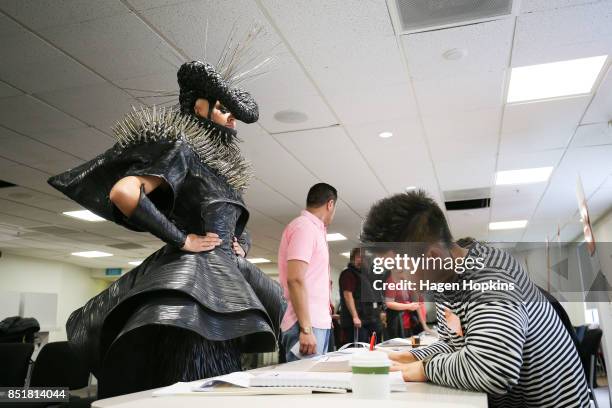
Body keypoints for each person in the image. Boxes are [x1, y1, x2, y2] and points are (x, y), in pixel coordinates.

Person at [48, 57, 285, 397]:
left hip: (228, 285)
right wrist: (181, 239)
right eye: (223, 108)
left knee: (224, 379)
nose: (232, 118)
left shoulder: (226, 177)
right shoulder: (181, 150)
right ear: (198, 107)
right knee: (189, 380)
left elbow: (236, 225)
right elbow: (125, 192)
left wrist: (240, 246)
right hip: (191, 290)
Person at [361, 190, 590, 408]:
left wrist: (424, 369)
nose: (398, 280)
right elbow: (455, 344)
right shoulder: (447, 279)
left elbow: (494, 370)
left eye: (400, 269)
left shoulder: (490, 280)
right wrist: (411, 355)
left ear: (432, 257)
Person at [278, 183, 337, 361]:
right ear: (330, 204)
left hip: (316, 323)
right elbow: (295, 279)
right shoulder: (304, 227)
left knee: (317, 384)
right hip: (304, 326)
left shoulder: (316, 230)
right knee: (305, 386)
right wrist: (306, 329)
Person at [338, 248, 383, 344]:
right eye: (359, 257)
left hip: (368, 320)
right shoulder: (348, 273)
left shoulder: (365, 276)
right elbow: (348, 295)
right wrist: (355, 316)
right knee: (358, 350)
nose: (362, 259)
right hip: (356, 321)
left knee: (373, 348)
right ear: (353, 259)